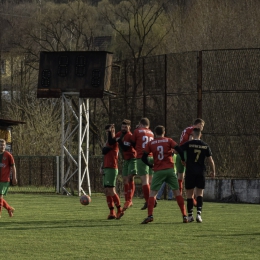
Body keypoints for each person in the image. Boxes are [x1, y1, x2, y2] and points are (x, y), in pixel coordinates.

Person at [141, 125, 188, 224]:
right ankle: (184, 216)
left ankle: (150, 215)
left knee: (152, 193)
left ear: (155, 133)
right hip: (170, 170)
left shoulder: (151, 143)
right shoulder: (168, 140)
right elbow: (179, 149)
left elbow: (143, 157)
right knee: (177, 193)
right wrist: (183, 160)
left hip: (158, 171)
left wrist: (150, 165)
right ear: (164, 132)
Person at [178, 128, 215, 223]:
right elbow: (211, 160)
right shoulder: (205, 145)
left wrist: (183, 159)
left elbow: (179, 150)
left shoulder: (188, 144)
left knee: (189, 194)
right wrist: (213, 171)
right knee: (200, 193)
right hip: (201, 172)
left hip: (190, 171)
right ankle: (199, 214)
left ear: (192, 134)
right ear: (200, 135)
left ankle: (190, 216)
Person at [109, 119, 137, 211]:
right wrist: (110, 132)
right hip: (125, 160)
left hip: (132, 158)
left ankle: (130, 200)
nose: (123, 128)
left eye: (125, 127)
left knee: (130, 177)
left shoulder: (130, 136)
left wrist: (119, 140)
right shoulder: (119, 134)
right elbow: (111, 141)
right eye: (122, 127)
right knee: (125, 180)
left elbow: (125, 148)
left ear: (129, 127)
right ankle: (127, 200)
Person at [175, 118, 205, 205]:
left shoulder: (186, 129)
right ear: (198, 124)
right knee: (192, 175)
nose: (202, 128)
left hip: (180, 152)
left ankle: (179, 196)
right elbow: (191, 141)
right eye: (202, 126)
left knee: (180, 176)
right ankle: (192, 199)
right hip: (186, 153)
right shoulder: (193, 130)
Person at [131, 118, 155, 210]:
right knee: (150, 181)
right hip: (151, 156)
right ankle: (153, 198)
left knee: (144, 181)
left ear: (141, 124)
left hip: (141, 157)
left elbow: (132, 142)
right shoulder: (151, 132)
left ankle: (149, 201)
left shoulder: (137, 131)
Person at [101, 124, 124, 220]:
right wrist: (102, 166)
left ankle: (119, 210)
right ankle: (112, 212)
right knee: (107, 191)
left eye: (109, 131)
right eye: (107, 131)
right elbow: (104, 153)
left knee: (111, 190)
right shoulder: (108, 141)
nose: (108, 133)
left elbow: (106, 148)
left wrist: (111, 131)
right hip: (107, 167)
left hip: (112, 167)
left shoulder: (114, 140)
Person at [0, 138, 17, 218]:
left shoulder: (8, 155)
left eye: (3, 145)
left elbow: (13, 167)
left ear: (5, 146)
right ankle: (9, 208)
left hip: (4, 180)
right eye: (0, 145)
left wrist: (14, 177)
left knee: (0, 196)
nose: (2, 146)